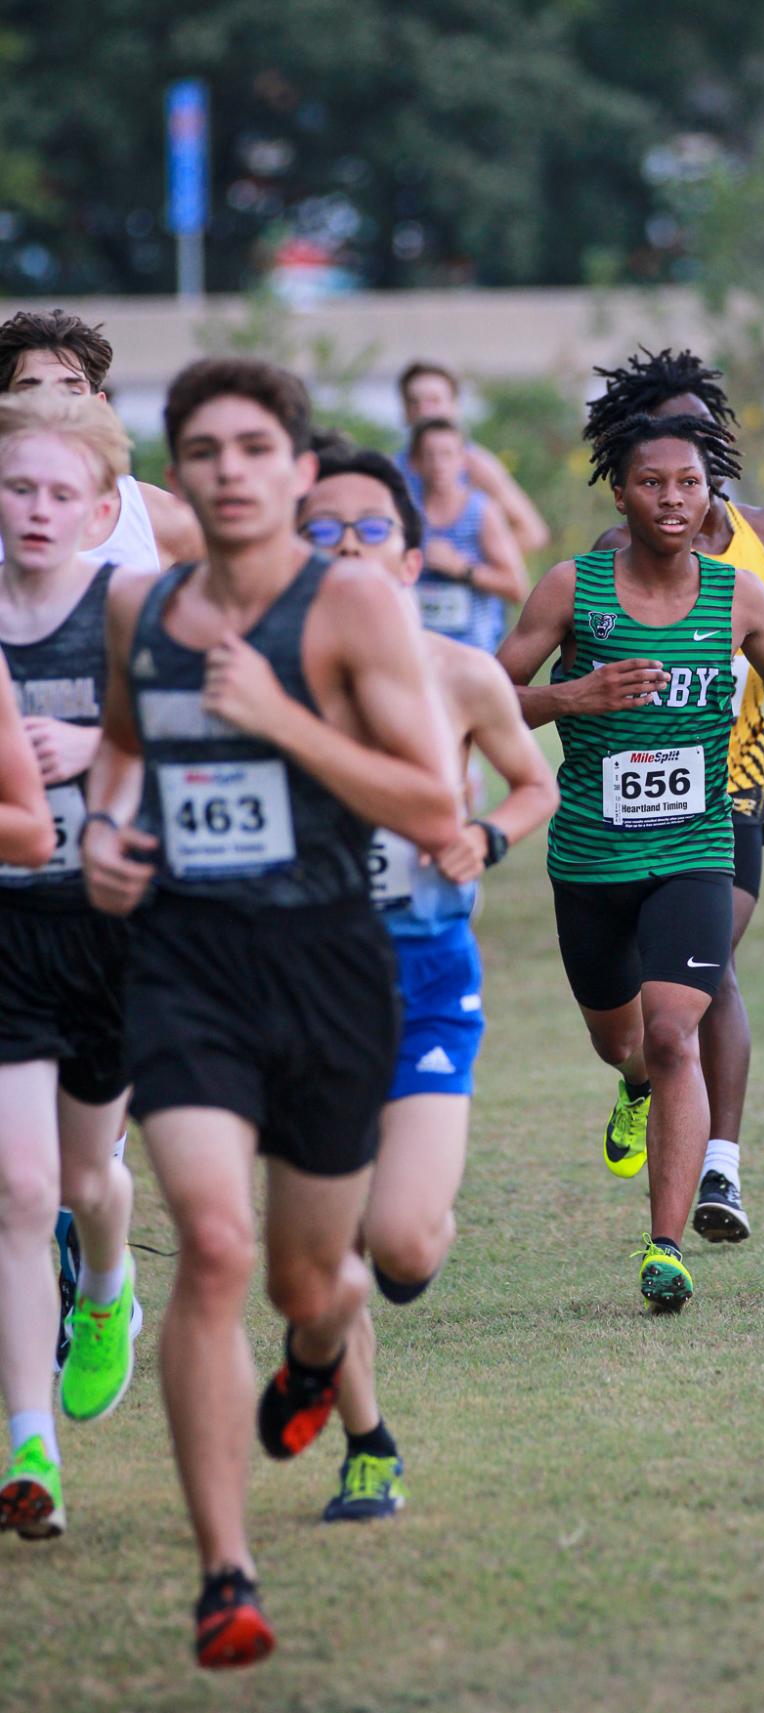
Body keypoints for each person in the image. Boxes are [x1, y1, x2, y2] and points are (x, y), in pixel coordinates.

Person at [80, 357, 461, 1667]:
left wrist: (279, 720)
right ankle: (226, 1576)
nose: (229, 468)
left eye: (254, 447)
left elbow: (430, 806)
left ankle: (314, 1359)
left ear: (297, 476)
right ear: (175, 475)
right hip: (187, 963)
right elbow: (124, 746)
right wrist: (112, 836)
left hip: (327, 969)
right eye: (203, 449)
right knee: (215, 1244)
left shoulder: (349, 603)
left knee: (313, 1274)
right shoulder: (141, 605)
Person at [499, 408, 764, 1313]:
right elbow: (485, 698)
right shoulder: (572, 587)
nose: (673, 499)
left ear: (710, 489)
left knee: (679, 1028)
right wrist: (575, 694)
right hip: (591, 860)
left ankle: (665, 1246)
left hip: (695, 846)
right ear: (621, 491)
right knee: (626, 1040)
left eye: (689, 482)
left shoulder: (739, 594)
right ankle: (632, 1083)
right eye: (653, 483)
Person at [295, 441, 557, 1521]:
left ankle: (377, 1281)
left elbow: (530, 784)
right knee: (322, 1253)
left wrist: (486, 839)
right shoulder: (258, 679)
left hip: (425, 980)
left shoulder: (459, 673)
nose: (347, 545)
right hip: (302, 988)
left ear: (411, 560)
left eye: (369, 530)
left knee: (399, 1242)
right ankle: (366, 1440)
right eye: (322, 530)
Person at [0, 396, 142, 1544]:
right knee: (16, 1185)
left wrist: (98, 745)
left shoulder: (125, 613)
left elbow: (197, 737)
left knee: (89, 1181)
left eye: (59, 494)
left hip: (103, 924)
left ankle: (106, 1290)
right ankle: (29, 1444)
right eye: (16, 487)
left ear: (102, 513)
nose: (36, 511)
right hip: (3, 925)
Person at [0, 308, 202, 569]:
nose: (52, 404)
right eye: (31, 391)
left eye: (71, 391)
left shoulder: (159, 517)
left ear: (100, 406)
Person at [395, 359, 550, 553]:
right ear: (404, 411)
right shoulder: (394, 469)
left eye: (433, 401)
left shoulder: (475, 464)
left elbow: (533, 534)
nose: (424, 411)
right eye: (414, 402)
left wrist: (469, 565)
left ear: (453, 406)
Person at [411, 417, 528, 650]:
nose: (438, 464)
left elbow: (516, 587)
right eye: (429, 455)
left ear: (463, 460)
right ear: (415, 462)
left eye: (447, 454)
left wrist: (461, 569)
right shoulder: (405, 512)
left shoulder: (482, 511)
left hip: (472, 652)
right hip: (418, 651)